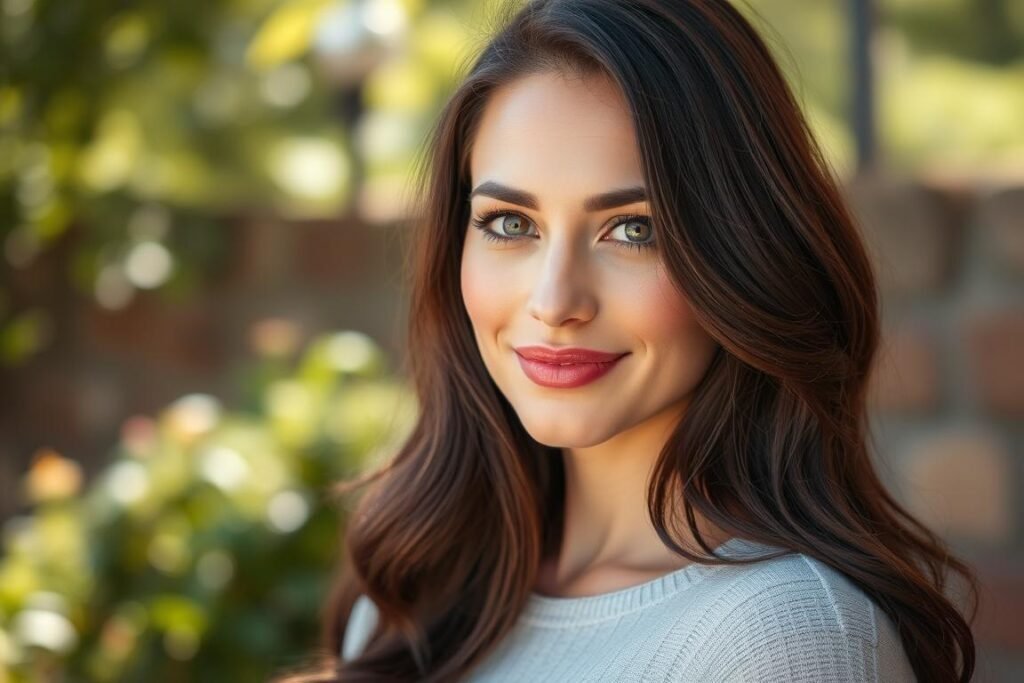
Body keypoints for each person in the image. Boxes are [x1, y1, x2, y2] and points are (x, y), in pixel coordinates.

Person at [279, 1, 977, 681]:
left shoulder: (788, 640)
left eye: (634, 229)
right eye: (509, 223)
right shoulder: (419, 581)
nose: (555, 303)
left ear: (745, 254)